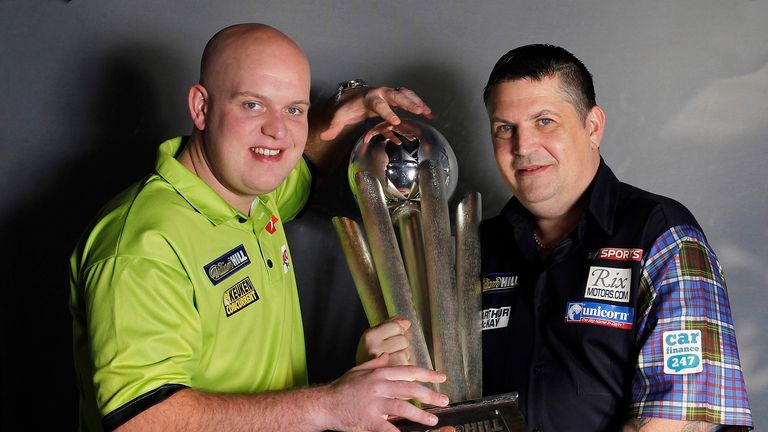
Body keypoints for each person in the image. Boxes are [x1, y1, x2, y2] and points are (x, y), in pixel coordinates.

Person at [69, 23, 450, 432]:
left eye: (293, 110)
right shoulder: (143, 245)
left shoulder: (255, 195)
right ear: (200, 107)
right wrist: (328, 405)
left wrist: (352, 108)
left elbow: (303, 162)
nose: (278, 131)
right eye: (252, 105)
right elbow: (140, 420)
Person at [478, 44, 753, 431]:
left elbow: (681, 419)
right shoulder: (474, 248)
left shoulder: (663, 235)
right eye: (504, 129)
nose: (523, 147)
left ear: (592, 126)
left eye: (544, 121)